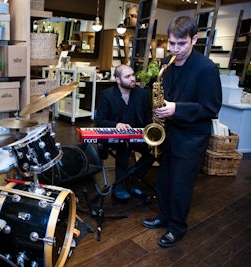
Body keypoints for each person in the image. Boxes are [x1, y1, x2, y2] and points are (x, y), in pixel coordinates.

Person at [141, 16, 222, 248]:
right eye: (172, 43)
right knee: (164, 180)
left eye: (181, 44)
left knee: (181, 185)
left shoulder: (206, 69)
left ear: (194, 39)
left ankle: (177, 228)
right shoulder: (168, 62)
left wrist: (176, 108)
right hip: (168, 133)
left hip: (191, 138)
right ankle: (164, 216)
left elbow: (211, 108)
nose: (175, 49)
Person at [95, 65, 154, 199]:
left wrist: (150, 133)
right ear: (118, 80)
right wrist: (116, 124)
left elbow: (147, 117)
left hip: (137, 135)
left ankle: (131, 178)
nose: (133, 79)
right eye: (128, 76)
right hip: (114, 137)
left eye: (133, 75)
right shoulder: (107, 95)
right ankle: (119, 186)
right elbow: (100, 120)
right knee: (124, 147)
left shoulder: (143, 94)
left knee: (154, 151)